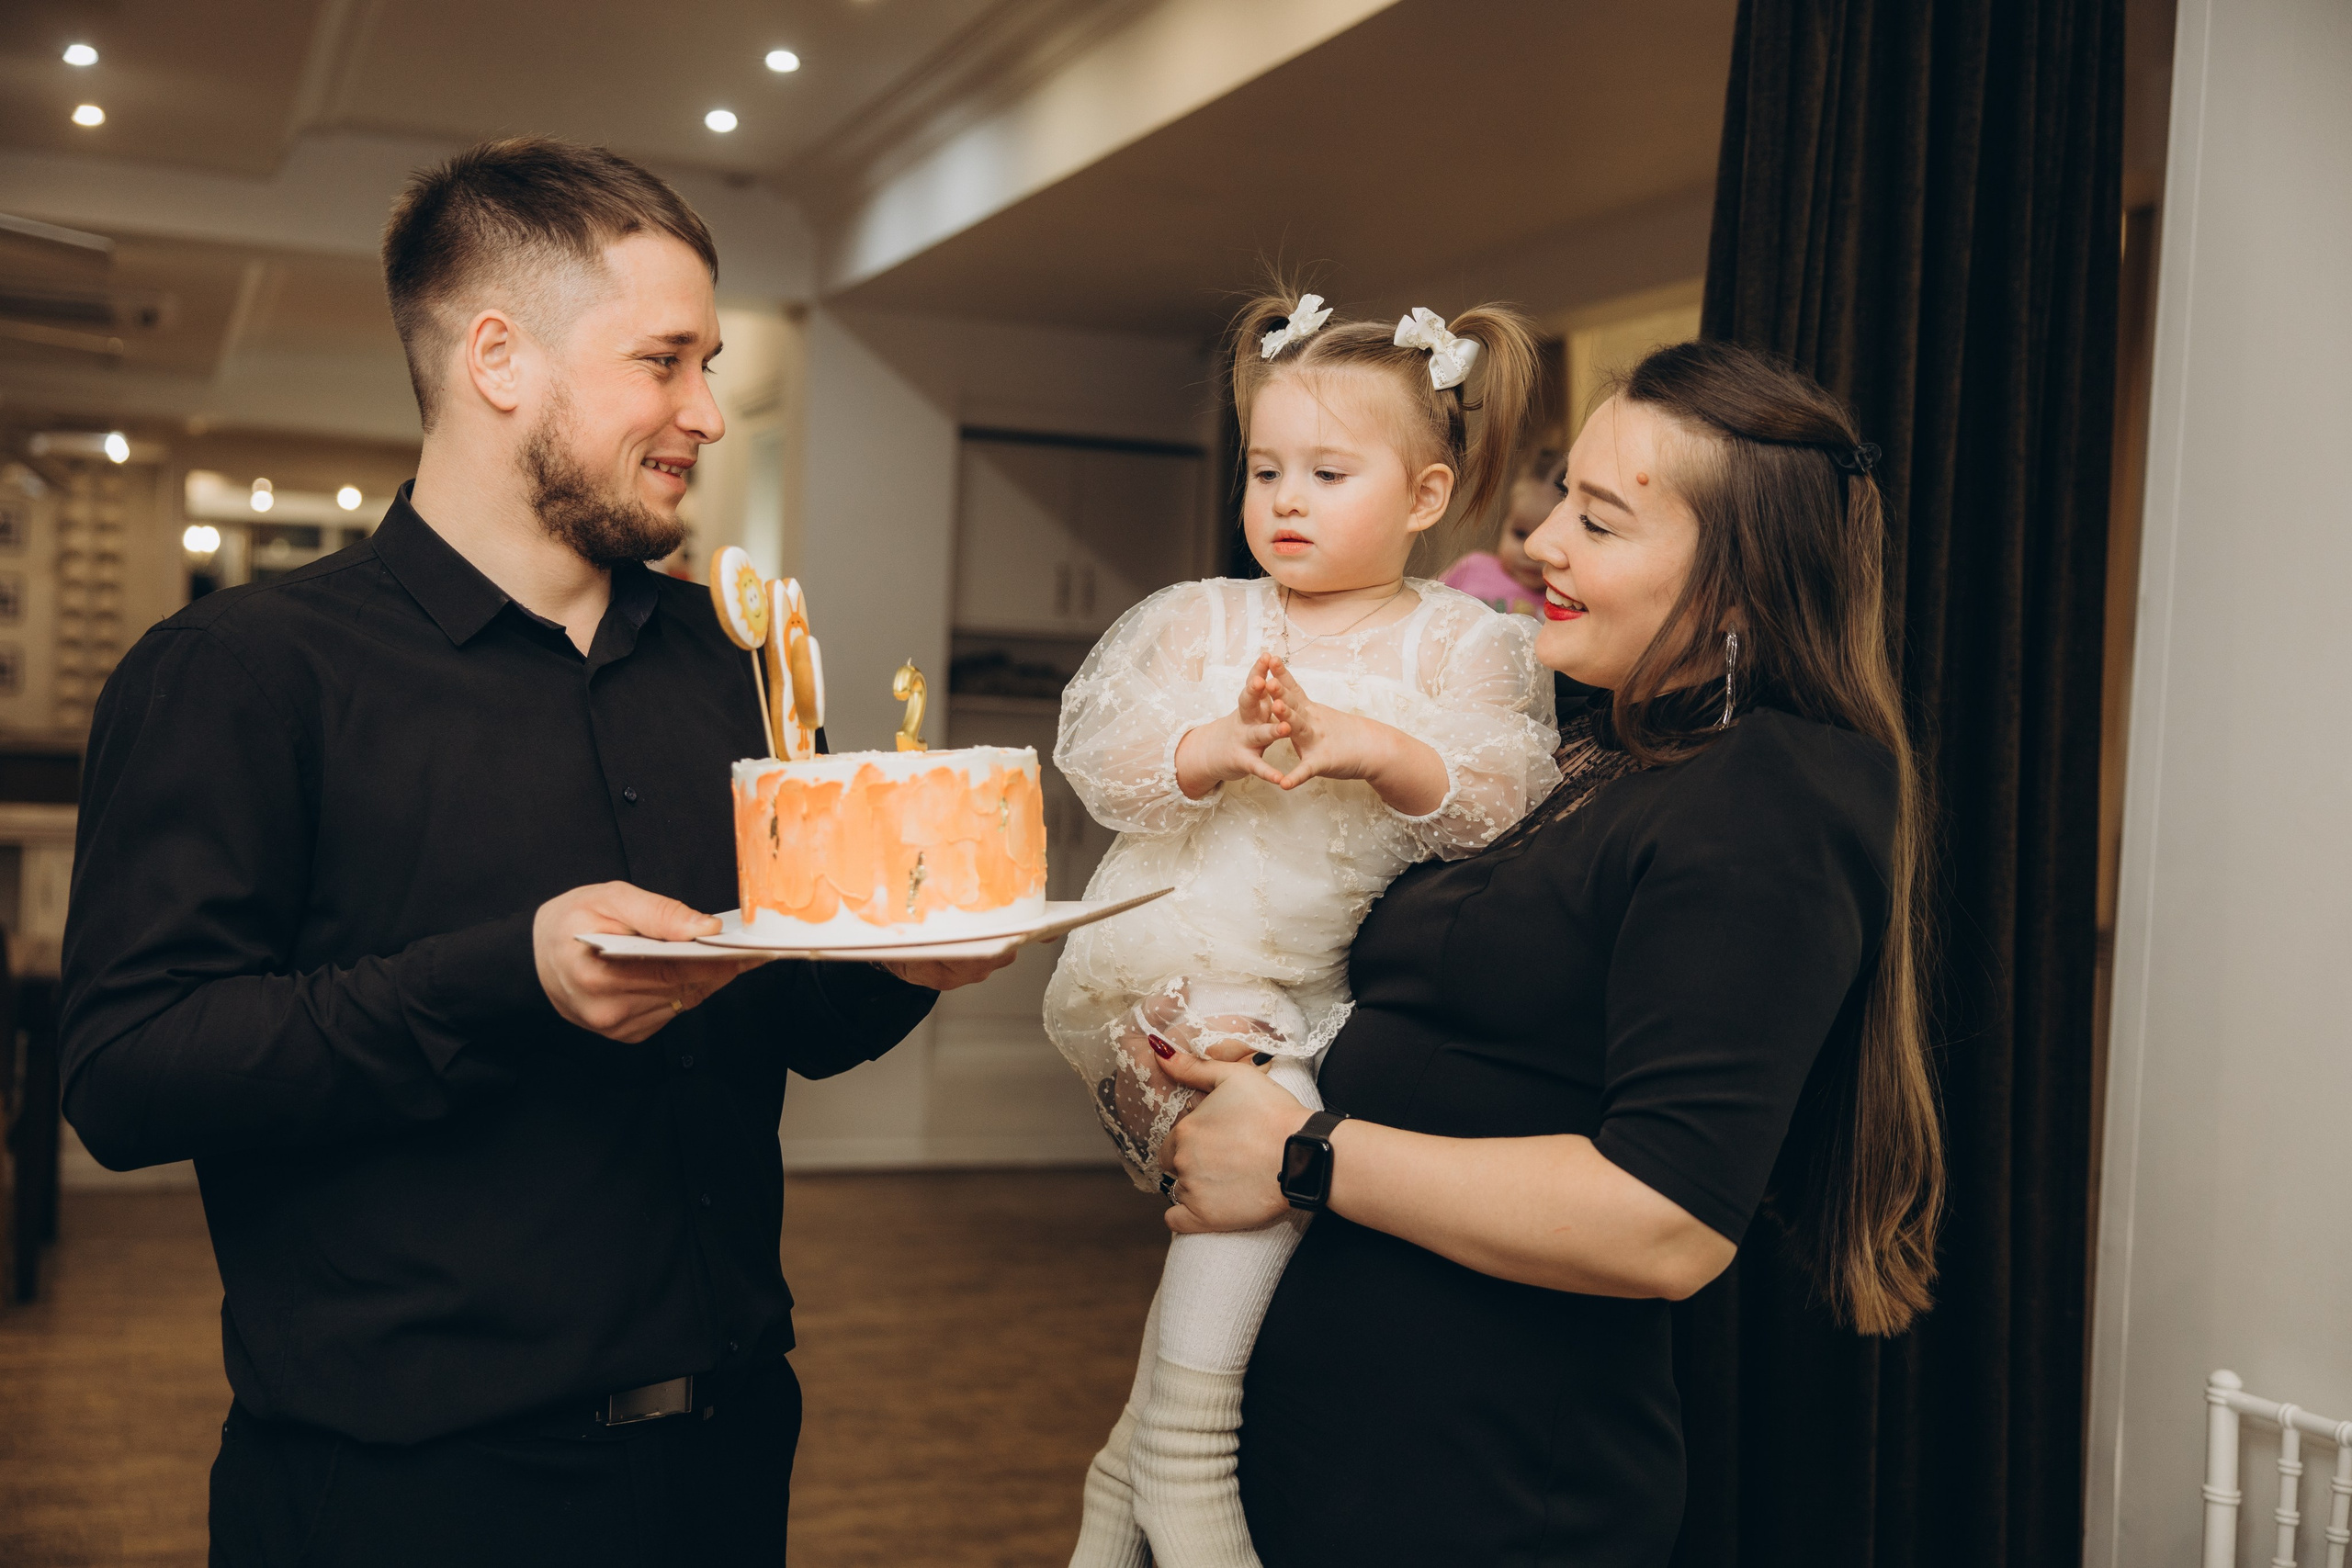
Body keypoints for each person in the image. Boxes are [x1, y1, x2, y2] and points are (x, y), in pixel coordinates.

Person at [58, 138, 1007, 1566]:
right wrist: (515, 975)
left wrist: (905, 959)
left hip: (730, 1445)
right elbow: (130, 1071)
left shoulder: (730, 663)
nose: (707, 410)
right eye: (666, 360)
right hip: (408, 1490)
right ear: (499, 358)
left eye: (708, 365)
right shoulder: (240, 671)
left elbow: (787, 1013)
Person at [1149, 339, 1946, 1565]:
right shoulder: (1588, 746)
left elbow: (1664, 1218)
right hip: (1338, 1443)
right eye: (1562, 496)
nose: (1540, 543)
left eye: (1603, 521)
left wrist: (1308, 1151)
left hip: (1485, 1487)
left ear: (1740, 586)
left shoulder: (1774, 789)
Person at [1048, 289, 1560, 1568]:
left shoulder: (1467, 643)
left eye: (1329, 472)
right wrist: (1212, 745)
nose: (1286, 498)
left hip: (1336, 999)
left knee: (1286, 1140)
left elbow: (1503, 797)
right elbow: (1099, 758)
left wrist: (1372, 745)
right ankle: (1192, 1453)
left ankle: (1130, 1471)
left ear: (1427, 494)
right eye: (1267, 468)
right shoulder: (1202, 618)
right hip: (1174, 973)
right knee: (1260, 1138)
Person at [1439, 441, 1566, 616]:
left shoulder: (1563, 601)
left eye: (1550, 540)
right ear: (1504, 524)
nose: (1530, 552)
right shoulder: (1472, 568)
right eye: (1520, 534)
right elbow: (1423, 607)